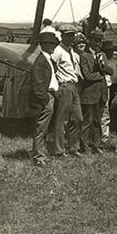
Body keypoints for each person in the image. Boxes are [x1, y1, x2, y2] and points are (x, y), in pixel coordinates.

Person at [51, 24, 84, 157]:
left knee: (78, 118)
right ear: (62, 36)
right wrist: (56, 86)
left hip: (74, 86)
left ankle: (73, 148)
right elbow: (52, 69)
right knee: (62, 119)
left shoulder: (70, 50)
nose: (71, 38)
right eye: (68, 35)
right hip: (65, 86)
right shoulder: (58, 51)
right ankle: (59, 150)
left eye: (72, 35)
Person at [79, 30, 112, 154]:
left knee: (98, 121)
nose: (98, 43)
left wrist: (103, 67)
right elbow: (87, 75)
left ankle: (96, 145)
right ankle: (84, 147)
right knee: (87, 121)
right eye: (95, 40)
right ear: (90, 40)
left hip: (101, 93)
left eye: (100, 41)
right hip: (89, 93)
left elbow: (111, 71)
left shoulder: (102, 55)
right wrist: (101, 74)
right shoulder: (84, 55)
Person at [29, 32, 60, 166]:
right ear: (43, 45)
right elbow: (37, 84)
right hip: (46, 98)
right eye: (51, 44)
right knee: (41, 128)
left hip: (51, 95)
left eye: (54, 44)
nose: (53, 46)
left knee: (44, 128)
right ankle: (38, 157)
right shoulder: (40, 62)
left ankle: (40, 153)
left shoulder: (48, 59)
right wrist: (45, 100)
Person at [100, 40, 117, 144]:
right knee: (103, 112)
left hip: (108, 86)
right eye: (109, 51)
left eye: (112, 51)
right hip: (102, 86)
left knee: (105, 111)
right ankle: (102, 137)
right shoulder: (102, 59)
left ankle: (104, 136)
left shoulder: (111, 61)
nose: (111, 53)